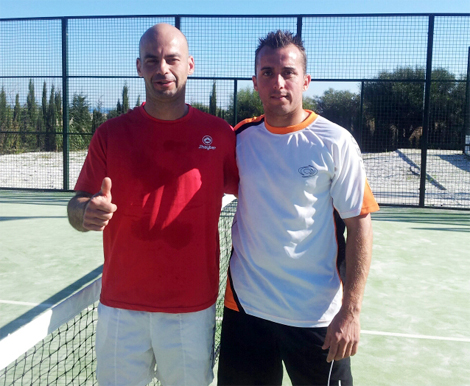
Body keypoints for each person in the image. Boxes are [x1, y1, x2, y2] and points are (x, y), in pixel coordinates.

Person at [67, 23, 238, 386]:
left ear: (189, 64)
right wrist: (86, 212)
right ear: (139, 67)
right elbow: (77, 204)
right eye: (152, 60)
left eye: (171, 59)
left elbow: (257, 194)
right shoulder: (109, 135)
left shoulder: (220, 135)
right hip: (120, 307)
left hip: (191, 309)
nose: (162, 68)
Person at [217, 30, 379, 386]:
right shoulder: (240, 139)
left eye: (288, 72)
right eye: (267, 72)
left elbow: (360, 225)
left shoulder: (335, 142)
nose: (278, 82)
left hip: (316, 317)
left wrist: (350, 312)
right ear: (255, 81)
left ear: (305, 80)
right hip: (246, 311)